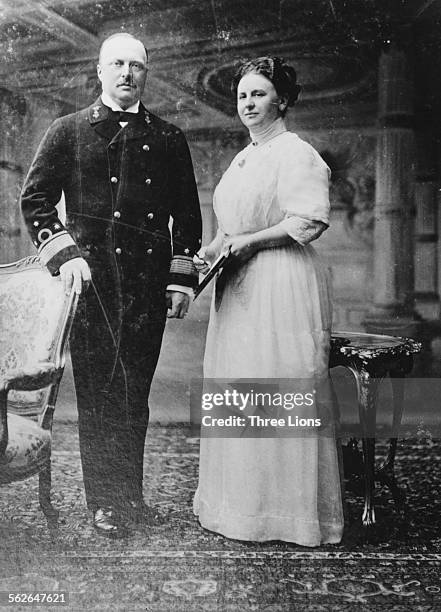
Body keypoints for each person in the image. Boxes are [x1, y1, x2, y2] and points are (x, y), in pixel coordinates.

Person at [21, 33, 202, 538]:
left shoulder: (168, 137)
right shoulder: (68, 130)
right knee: (100, 394)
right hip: (92, 285)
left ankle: (130, 497)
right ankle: (105, 502)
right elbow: (34, 200)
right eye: (117, 63)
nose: (127, 72)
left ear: (146, 75)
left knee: (134, 393)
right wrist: (64, 254)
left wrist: (181, 280)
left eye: (137, 65)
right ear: (100, 71)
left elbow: (187, 214)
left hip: (145, 286)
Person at [193, 56, 344, 546]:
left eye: (258, 94)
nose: (248, 104)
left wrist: (251, 243)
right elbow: (228, 229)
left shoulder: (295, 152)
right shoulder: (244, 157)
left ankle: (285, 513)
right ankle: (242, 506)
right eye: (242, 96)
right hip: (237, 284)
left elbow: (307, 221)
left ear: (282, 99)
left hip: (279, 281)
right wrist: (210, 254)